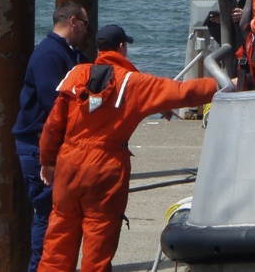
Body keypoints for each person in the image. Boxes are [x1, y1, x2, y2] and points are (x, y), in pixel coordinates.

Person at [37, 24, 217, 272]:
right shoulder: (133, 83)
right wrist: (223, 83)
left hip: (68, 165)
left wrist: (47, 161)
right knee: (97, 247)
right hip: (105, 167)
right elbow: (184, 93)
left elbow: (53, 124)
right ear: (122, 47)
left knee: (57, 242)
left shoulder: (76, 74)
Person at [13, 0, 91, 272]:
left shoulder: (68, 53)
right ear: (73, 22)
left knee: (59, 215)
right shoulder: (49, 55)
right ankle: (38, 268)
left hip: (49, 146)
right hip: (38, 148)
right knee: (48, 214)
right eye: (85, 24)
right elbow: (54, 103)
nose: (86, 31)